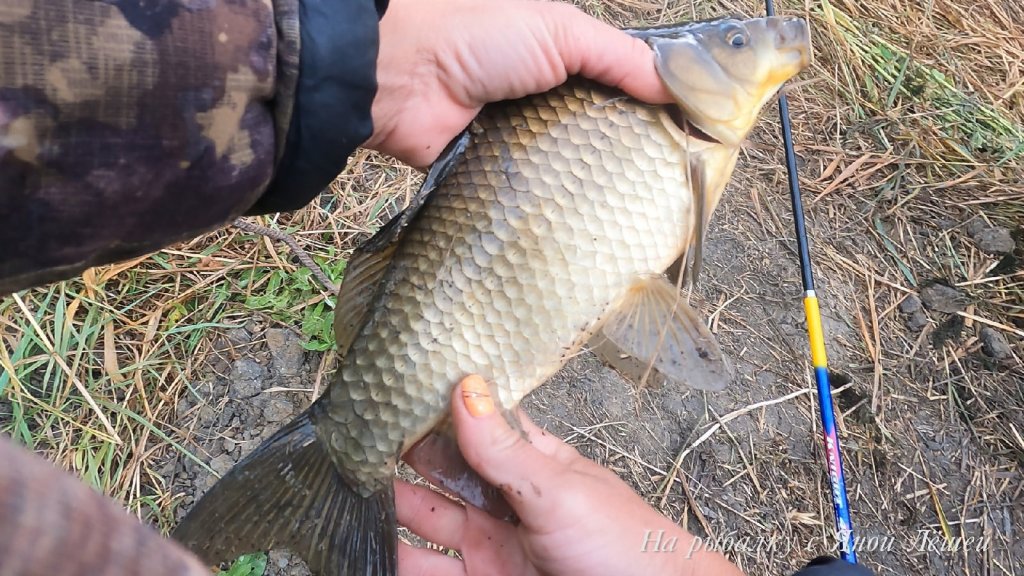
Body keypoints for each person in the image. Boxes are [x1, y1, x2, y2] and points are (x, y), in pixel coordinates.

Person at [0, 0, 872, 574]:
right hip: (451, 312)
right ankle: (334, 462)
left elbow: (656, 298)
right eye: (733, 39)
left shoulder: (683, 136)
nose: (772, 37)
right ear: (682, 70)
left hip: (477, 299)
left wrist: (362, 62)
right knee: (362, 433)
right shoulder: (671, 124)